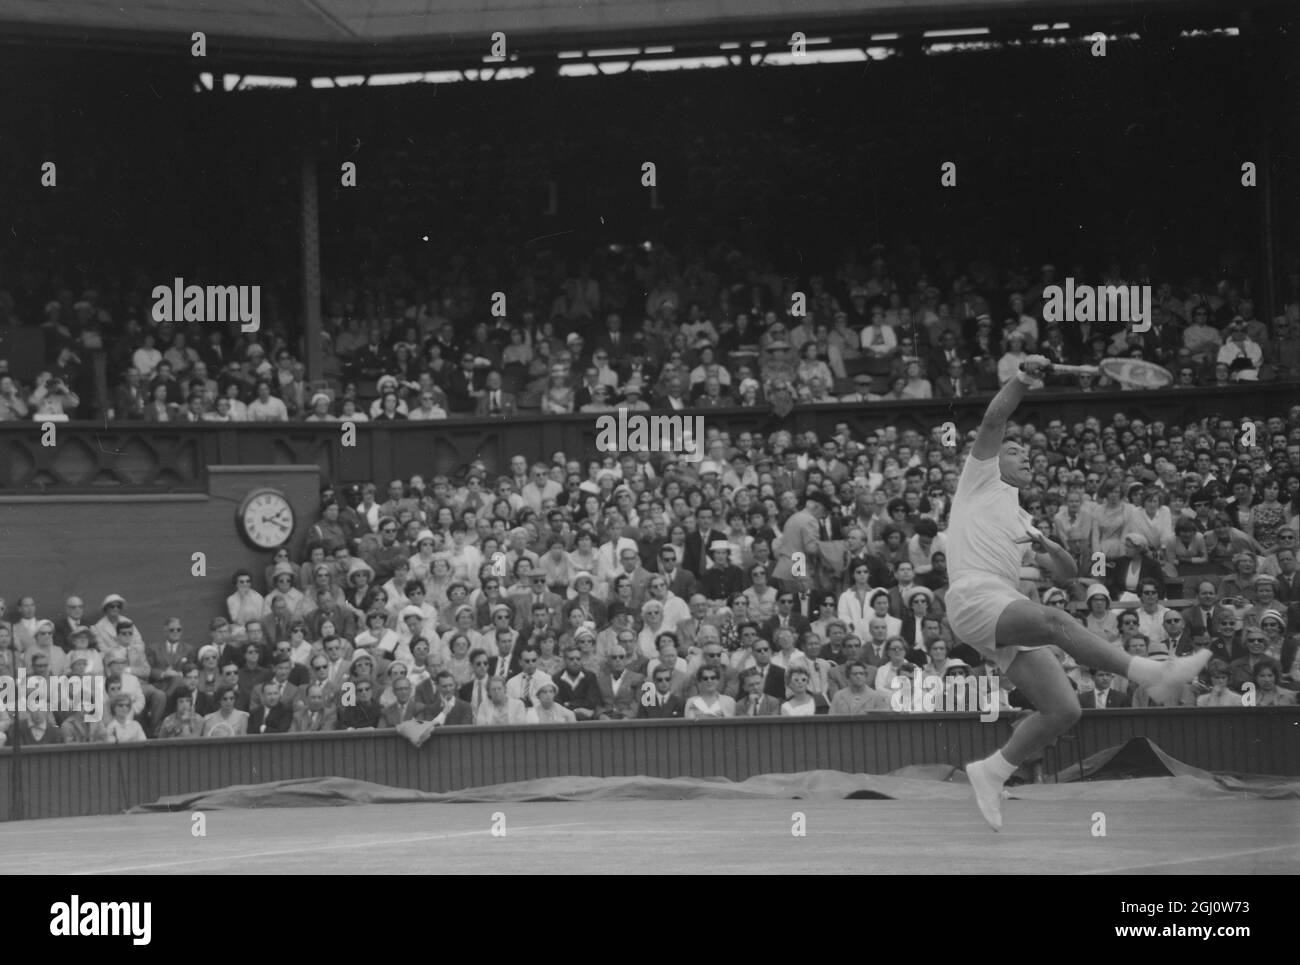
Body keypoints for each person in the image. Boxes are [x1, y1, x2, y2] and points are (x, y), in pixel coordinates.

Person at [946, 355, 1210, 830]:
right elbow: (994, 418)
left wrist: (1048, 546)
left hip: (999, 604)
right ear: (993, 458)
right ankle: (1152, 674)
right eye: (1014, 451)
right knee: (1055, 621)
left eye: (1029, 455)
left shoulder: (1024, 519)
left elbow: (1067, 575)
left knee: (1063, 709)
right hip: (972, 594)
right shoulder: (977, 479)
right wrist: (1025, 378)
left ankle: (993, 770)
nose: (1024, 456)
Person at [828, 661, 892, 714]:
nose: (858, 676)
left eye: (861, 674)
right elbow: (831, 718)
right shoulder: (838, 696)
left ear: (866, 676)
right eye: (855, 674)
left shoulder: (876, 696)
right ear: (848, 677)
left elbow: (884, 716)